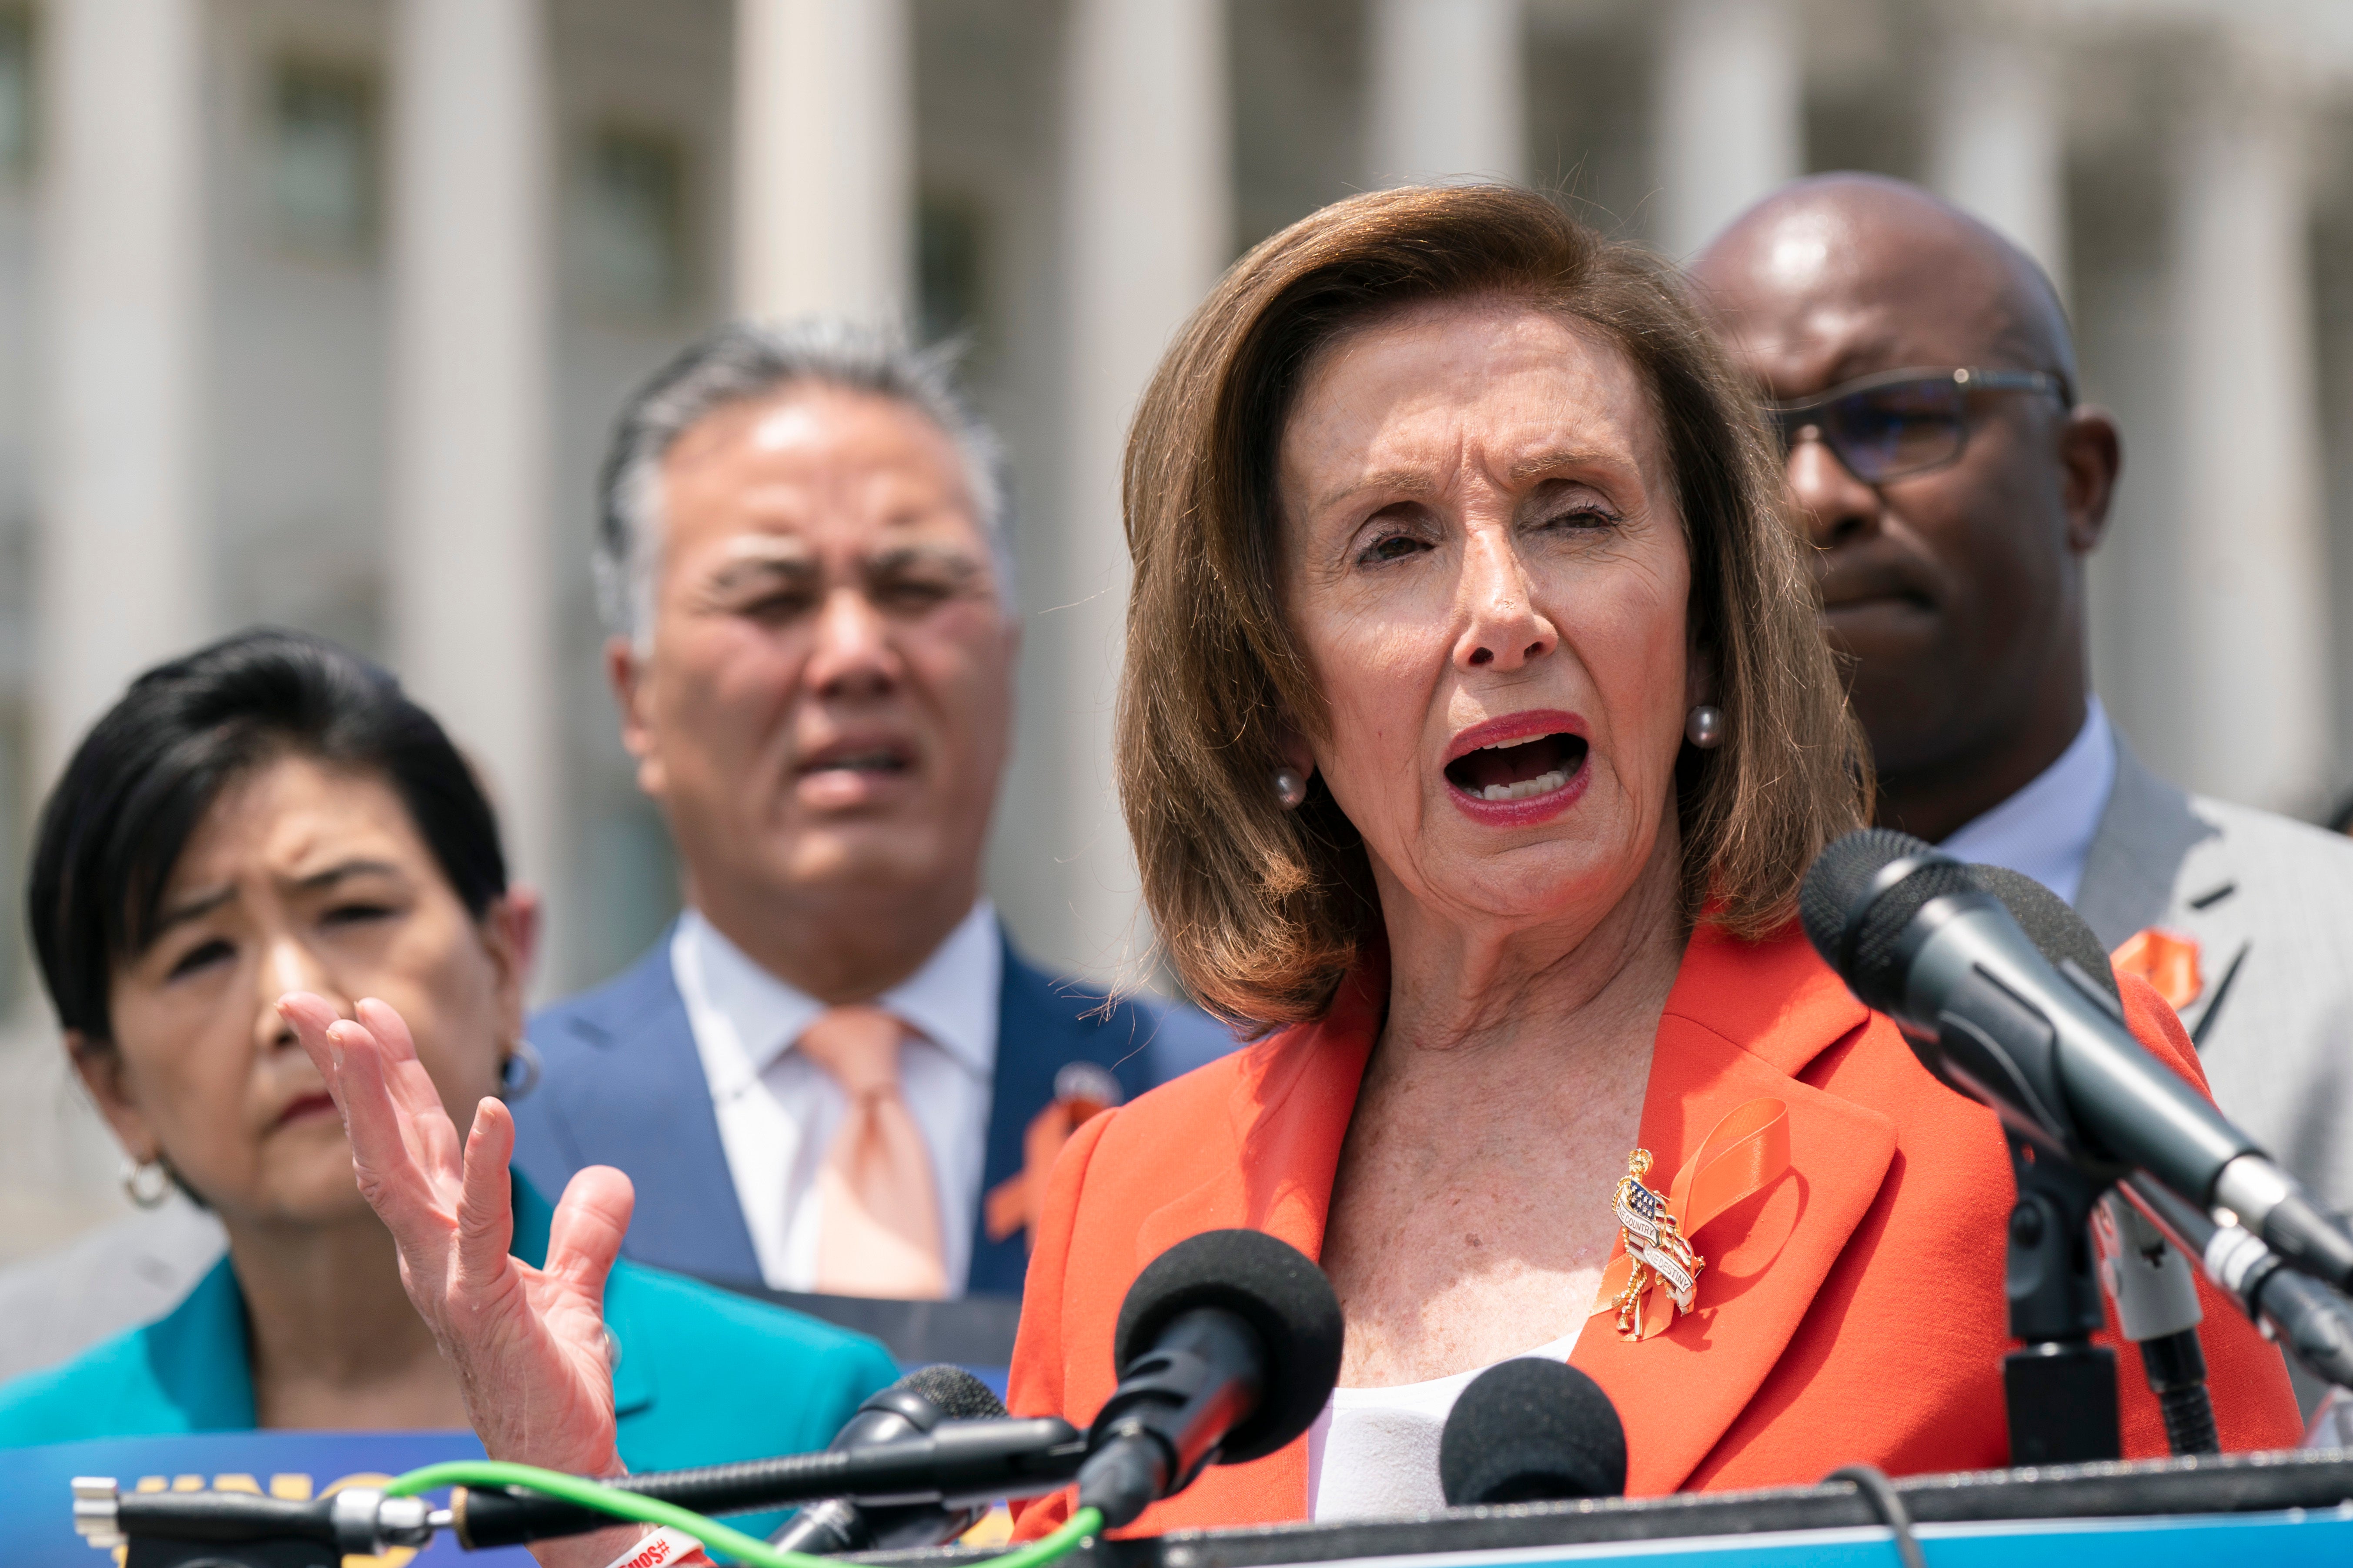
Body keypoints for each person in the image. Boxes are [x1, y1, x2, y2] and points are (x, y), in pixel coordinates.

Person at [289, 187, 2300, 1556]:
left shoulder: (1988, 1089)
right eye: (1391, 542)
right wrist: (585, 1507)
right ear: (1270, 691)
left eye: (1577, 513)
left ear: (1699, 623)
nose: (1500, 609)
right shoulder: (1136, 1204)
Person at [0, 631, 896, 1542]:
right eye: (200, 954)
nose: (291, 1005)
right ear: (114, 1090)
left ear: (505, 964)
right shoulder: (30, 1476)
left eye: (353, 911)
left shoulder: (812, 1418)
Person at [512, 321, 1235, 1303]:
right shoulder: (504, 1143)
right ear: (635, 697)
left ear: (1007, 659)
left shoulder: (1223, 1107)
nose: (854, 653)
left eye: (915, 587)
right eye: (772, 596)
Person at [1688, 173, 2353, 1220]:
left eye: (1898, 417)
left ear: (2077, 479)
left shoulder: (2332, 951)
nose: (1808, 498)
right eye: (1741, 449)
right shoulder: (1604, 1003)